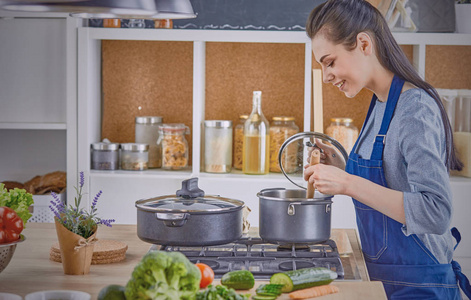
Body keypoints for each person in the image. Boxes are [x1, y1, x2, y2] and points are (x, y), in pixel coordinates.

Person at [303, 0, 471, 299]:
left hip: (419, 285)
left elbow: (436, 212)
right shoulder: (380, 103)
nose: (326, 75)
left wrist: (348, 183)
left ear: (364, 43)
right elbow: (393, 178)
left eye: (329, 62)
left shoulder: (415, 108)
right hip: (386, 281)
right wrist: (340, 168)